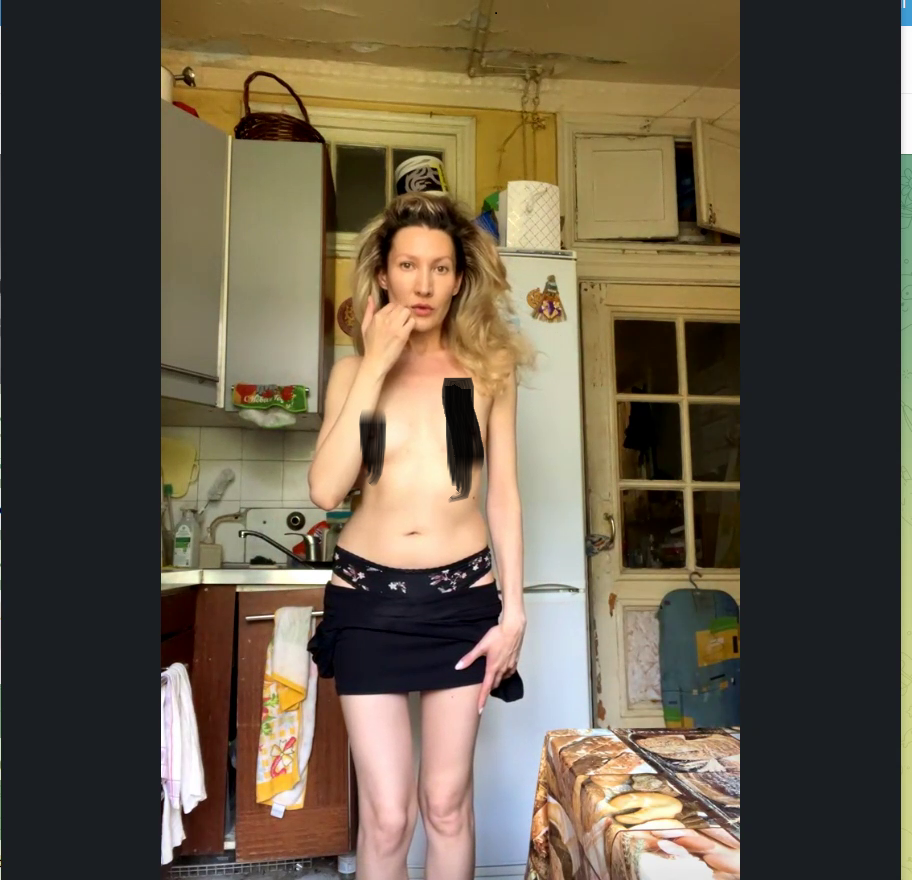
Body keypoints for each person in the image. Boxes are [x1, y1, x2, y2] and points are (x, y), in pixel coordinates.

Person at [307, 192, 534, 880]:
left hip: (461, 602)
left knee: (446, 806)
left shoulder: (486, 372)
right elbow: (326, 490)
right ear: (384, 274)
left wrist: (514, 612)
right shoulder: (352, 373)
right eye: (408, 265)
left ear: (460, 279)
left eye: (440, 267)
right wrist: (376, 362)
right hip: (366, 604)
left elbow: (502, 494)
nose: (424, 284)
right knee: (386, 817)